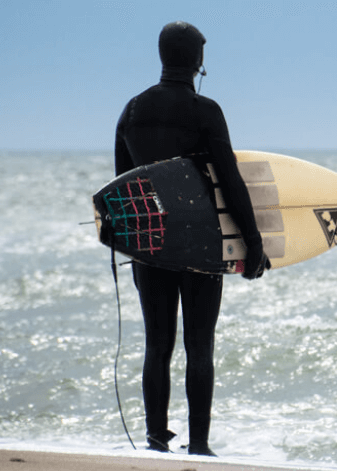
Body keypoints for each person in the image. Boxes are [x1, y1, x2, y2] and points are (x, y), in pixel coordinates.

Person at [114, 21, 269, 456]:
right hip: (201, 241)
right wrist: (253, 243)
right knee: (200, 344)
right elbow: (230, 181)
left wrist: (132, 249)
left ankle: (155, 441)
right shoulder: (205, 111)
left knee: (156, 344)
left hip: (151, 243)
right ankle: (198, 445)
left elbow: (123, 190)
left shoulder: (132, 111)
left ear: (163, 56)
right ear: (197, 60)